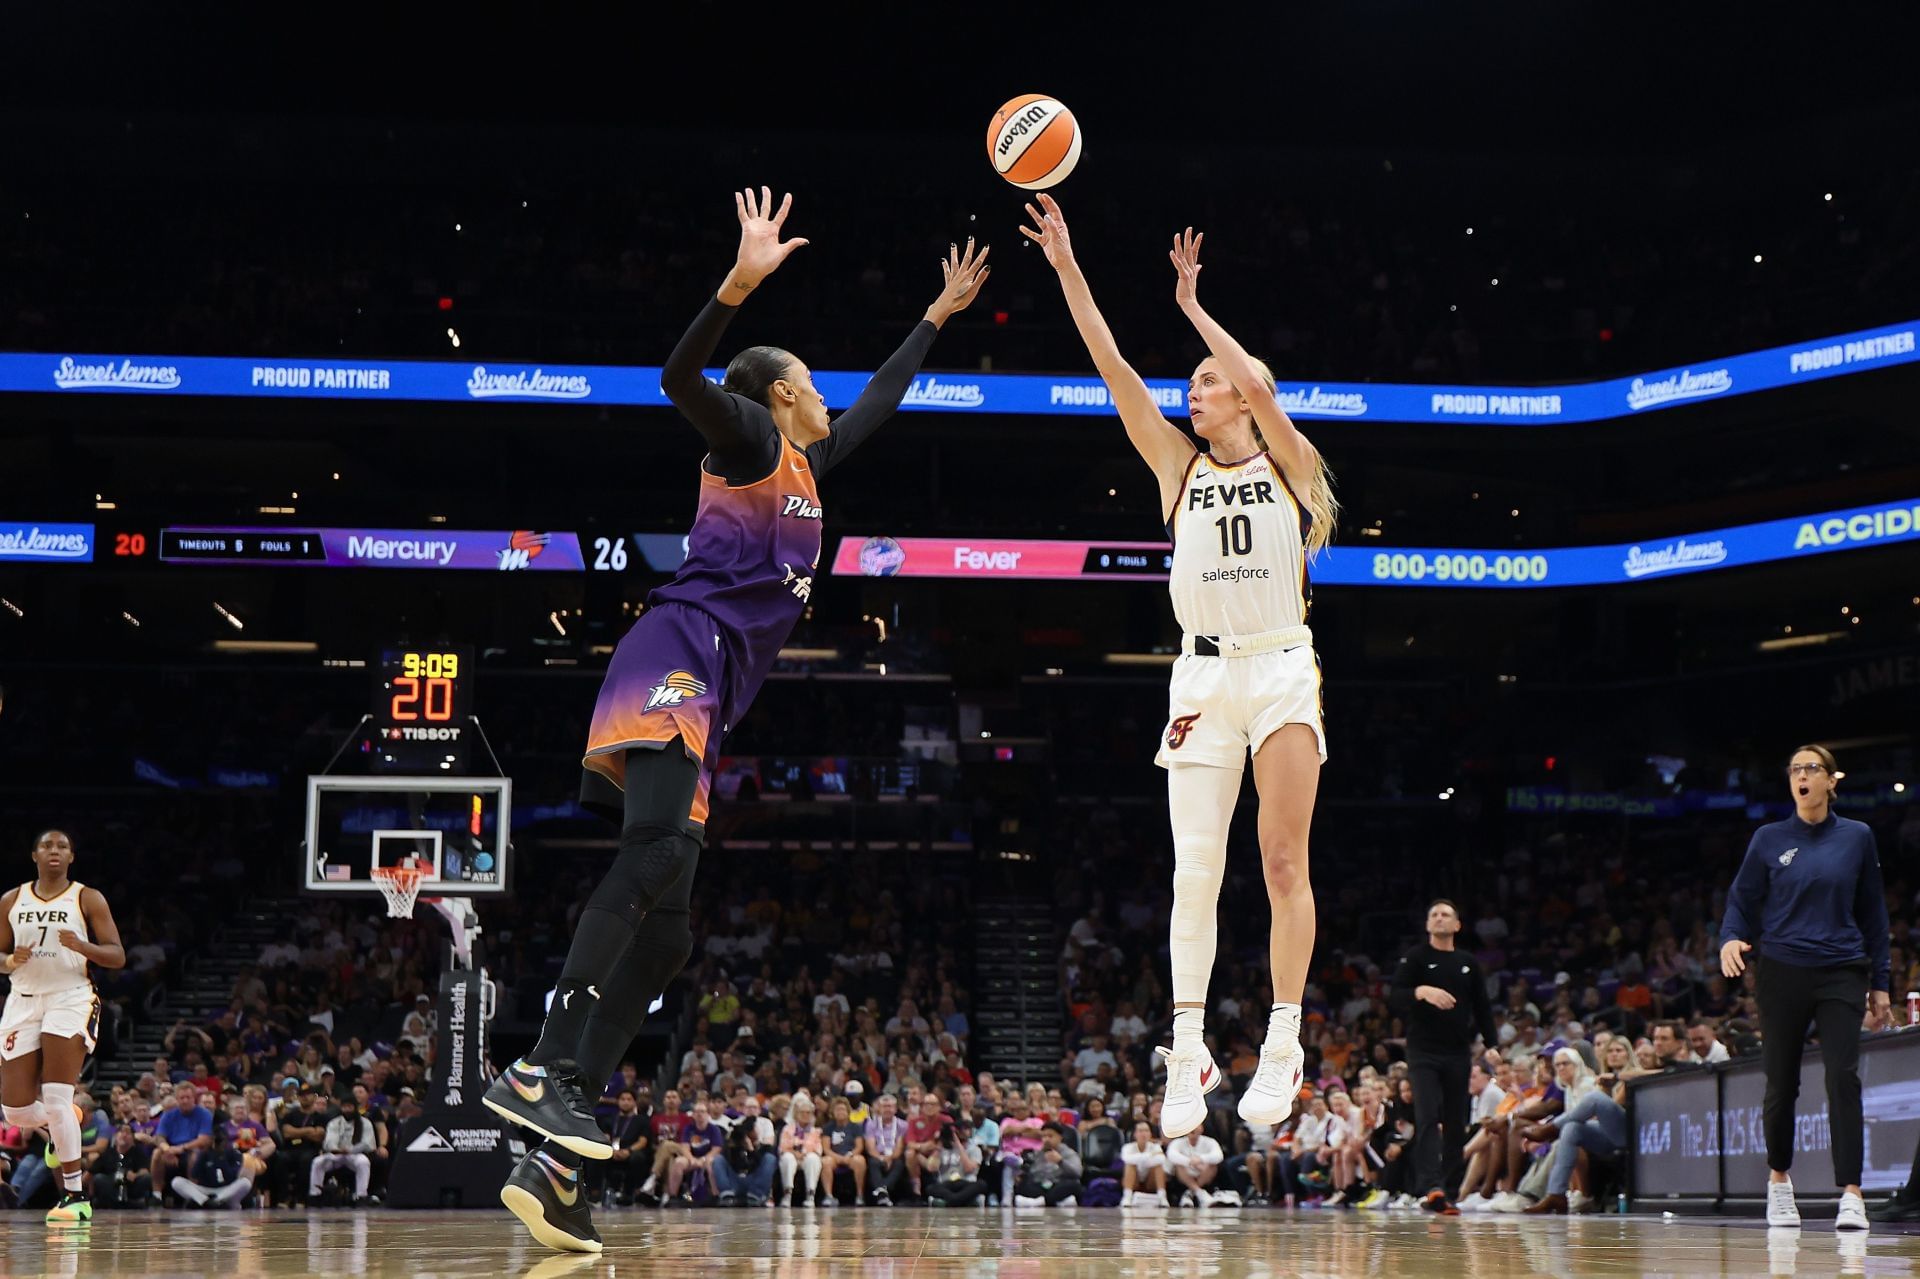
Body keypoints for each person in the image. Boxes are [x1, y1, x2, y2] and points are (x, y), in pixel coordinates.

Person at [484, 190, 988, 1254]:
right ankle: (543, 1063)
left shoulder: (809, 465)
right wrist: (736, 286)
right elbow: (679, 380)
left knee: (668, 930)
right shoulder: (752, 437)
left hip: (705, 686)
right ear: (773, 396)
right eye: (806, 381)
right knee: (657, 850)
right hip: (674, 654)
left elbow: (876, 411)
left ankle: (555, 1162)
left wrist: (936, 316)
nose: (821, 394)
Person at [1020, 198, 1337, 1140]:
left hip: (1280, 666)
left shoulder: (1291, 462)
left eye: (1208, 382)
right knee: (1193, 871)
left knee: (1282, 860)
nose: (1191, 392)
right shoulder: (1175, 466)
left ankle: (1283, 1041)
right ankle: (1187, 1044)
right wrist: (1069, 266)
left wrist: (1197, 309)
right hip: (1200, 678)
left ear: (1244, 391)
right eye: (1194, 380)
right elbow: (1111, 364)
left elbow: (1264, 393)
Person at [1721, 744, 1890, 1232]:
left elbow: (1874, 913)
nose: (1802, 776)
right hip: (1782, 970)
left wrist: (1880, 983)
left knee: (1843, 1077)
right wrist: (1730, 936)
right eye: (1795, 769)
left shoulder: (1858, 837)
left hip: (1842, 968)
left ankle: (1852, 1194)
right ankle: (1779, 1183)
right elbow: (1742, 900)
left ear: (1832, 781)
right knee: (1781, 1084)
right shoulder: (1768, 838)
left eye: (1812, 769)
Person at [0, 829, 126, 1225]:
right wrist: (8, 962)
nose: (54, 851)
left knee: (55, 1097)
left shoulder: (87, 898)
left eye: (62, 846)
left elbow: (117, 955)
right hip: (23, 999)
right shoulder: (11, 899)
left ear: (71, 856)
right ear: (34, 853)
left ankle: (75, 1196)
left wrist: (83, 946)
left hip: (70, 997)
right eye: (47, 846)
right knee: (15, 1113)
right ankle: (63, 1123)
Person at [1388, 899, 1499, 1214]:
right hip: (1422, 1051)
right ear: (1427, 925)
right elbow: (1394, 997)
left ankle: (1449, 1191)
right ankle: (1431, 1186)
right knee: (1426, 1116)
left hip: (1457, 1051)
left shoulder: (1468, 962)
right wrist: (1420, 992)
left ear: (1457, 925)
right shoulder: (1415, 958)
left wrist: (1491, 1043)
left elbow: (1482, 1007)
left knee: (1455, 1121)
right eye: (1433, 914)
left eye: (1446, 914)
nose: (1439, 918)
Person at [308, 1094, 375, 1206]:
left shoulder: (365, 1123)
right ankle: (315, 1195)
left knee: (363, 1162)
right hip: (336, 1155)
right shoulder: (334, 1123)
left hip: (355, 1155)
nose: (347, 1110)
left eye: (349, 1107)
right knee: (317, 1162)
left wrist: (350, 1150)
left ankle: (361, 1196)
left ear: (355, 1107)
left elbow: (367, 1143)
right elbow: (329, 1142)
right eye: (344, 1107)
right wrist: (336, 1149)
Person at [171, 1124, 251, 1210]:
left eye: (221, 1140)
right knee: (176, 1182)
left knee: (245, 1182)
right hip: (205, 1190)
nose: (219, 1143)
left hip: (225, 1190)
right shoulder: (205, 1153)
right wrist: (204, 1155)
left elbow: (232, 1176)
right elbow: (195, 1174)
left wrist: (221, 1158)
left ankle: (216, 1201)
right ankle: (205, 1201)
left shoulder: (234, 1154)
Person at [1165, 1125, 1226, 1208]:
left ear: (1201, 1129)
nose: (1192, 1129)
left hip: (1204, 1174)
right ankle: (1199, 1193)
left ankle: (1190, 1193)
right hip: (1185, 1175)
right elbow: (1171, 1154)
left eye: (1196, 1126)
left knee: (1212, 1166)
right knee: (1179, 1165)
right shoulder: (1178, 1142)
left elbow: (1219, 1156)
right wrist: (1189, 1161)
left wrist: (1201, 1159)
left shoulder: (1210, 1141)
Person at [1119, 1120, 1169, 1208]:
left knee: (1158, 1166)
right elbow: (1126, 1159)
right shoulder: (1127, 1147)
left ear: (1150, 1134)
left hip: (1150, 1181)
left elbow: (1161, 1159)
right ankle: (1127, 1197)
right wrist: (1150, 1156)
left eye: (1146, 1130)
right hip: (1135, 1181)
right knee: (1130, 1165)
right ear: (1135, 1134)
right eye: (1141, 1131)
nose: (1144, 1134)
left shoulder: (1155, 1147)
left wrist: (1138, 1158)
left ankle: (1162, 1197)